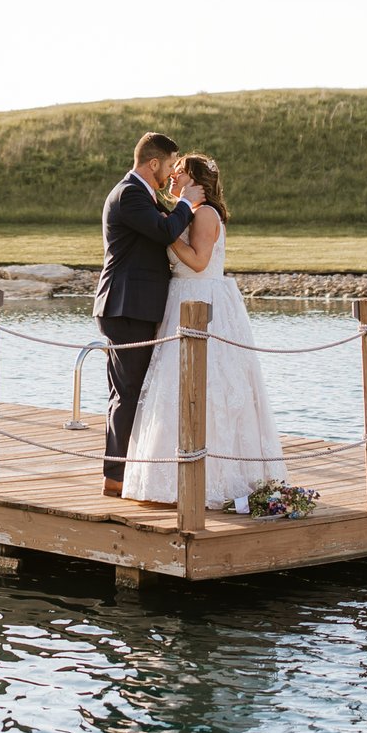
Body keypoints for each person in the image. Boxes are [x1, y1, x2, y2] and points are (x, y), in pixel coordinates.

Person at [120, 153, 286, 509]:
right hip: (182, 299)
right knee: (175, 388)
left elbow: (198, 261)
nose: (174, 179)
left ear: (197, 181)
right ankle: (171, 474)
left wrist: (167, 236)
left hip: (201, 300)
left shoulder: (205, 213)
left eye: (180, 174)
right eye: (174, 172)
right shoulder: (192, 213)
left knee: (211, 386)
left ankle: (214, 478)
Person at [92, 131, 204, 497]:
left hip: (135, 305)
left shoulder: (142, 193)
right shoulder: (130, 194)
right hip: (126, 306)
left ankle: (124, 470)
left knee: (130, 392)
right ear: (154, 163)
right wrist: (186, 202)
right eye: (170, 165)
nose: (171, 171)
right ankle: (116, 476)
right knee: (127, 394)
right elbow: (165, 230)